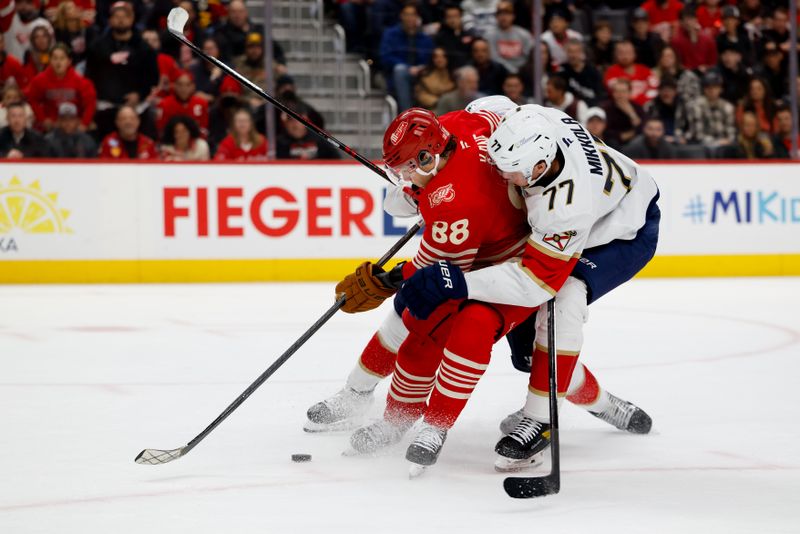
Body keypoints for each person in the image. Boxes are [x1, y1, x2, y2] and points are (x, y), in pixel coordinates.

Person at [396, 102, 659, 469]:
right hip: (580, 215)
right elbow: (486, 110)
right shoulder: (528, 120)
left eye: (512, 172)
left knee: (564, 300)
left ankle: (540, 421)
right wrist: (427, 179)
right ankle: (604, 403)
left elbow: (536, 283)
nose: (502, 177)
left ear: (539, 167)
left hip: (619, 232)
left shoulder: (565, 208)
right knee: (531, 359)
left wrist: (460, 283)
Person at [84, 1, 159, 140]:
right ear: (110, 20)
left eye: (124, 17)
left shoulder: (144, 49)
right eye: (117, 17)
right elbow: (90, 75)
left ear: (132, 19)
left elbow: (152, 77)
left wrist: (139, 94)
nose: (120, 20)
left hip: (137, 107)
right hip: (106, 107)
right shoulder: (98, 47)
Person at [25, 43, 96, 132]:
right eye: (55, 58)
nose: (58, 62)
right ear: (50, 60)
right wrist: (42, 119)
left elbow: (90, 104)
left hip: (75, 126)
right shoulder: (39, 80)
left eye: (62, 58)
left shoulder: (81, 82)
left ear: (69, 61)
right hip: (51, 127)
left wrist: (84, 124)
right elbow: (32, 99)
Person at [379, 2, 434, 112]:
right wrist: (408, 67)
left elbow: (430, 58)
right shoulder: (391, 34)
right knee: (400, 70)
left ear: (417, 17)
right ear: (401, 16)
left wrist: (421, 68)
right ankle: (407, 113)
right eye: (407, 14)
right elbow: (385, 56)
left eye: (413, 15)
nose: (410, 18)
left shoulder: (425, 38)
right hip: (395, 74)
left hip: (422, 73)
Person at [677, 70, 735, 151]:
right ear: (704, 89)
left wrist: (727, 141)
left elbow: (731, 133)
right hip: (701, 146)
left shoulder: (727, 107)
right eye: (708, 88)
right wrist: (717, 143)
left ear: (720, 89)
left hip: (723, 146)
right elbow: (698, 135)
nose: (712, 91)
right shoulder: (696, 106)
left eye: (715, 87)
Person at [603, 40, 658, 107]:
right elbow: (615, 92)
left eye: (628, 52)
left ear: (634, 54)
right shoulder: (611, 72)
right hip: (620, 107)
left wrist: (639, 101)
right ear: (615, 55)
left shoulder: (645, 70)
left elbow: (654, 90)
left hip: (645, 106)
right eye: (621, 53)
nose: (625, 56)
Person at [276, 104, 340, 160]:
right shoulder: (280, 142)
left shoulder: (320, 139)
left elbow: (336, 159)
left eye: (297, 120)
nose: (294, 124)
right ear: (285, 123)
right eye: (290, 120)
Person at [484, 0, 532, 74]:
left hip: (521, 72)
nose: (504, 17)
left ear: (513, 16)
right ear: (496, 17)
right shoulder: (489, 35)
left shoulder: (524, 34)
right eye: (500, 14)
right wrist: (512, 70)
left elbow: (529, 55)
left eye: (507, 13)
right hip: (500, 73)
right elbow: (494, 58)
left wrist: (520, 70)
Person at [156, 70, 208, 137]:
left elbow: (204, 129)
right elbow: (161, 130)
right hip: (172, 140)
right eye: (180, 84)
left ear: (193, 86)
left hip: (195, 140)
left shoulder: (202, 103)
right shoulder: (165, 104)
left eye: (188, 85)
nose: (184, 89)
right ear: (174, 85)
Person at [601, 77, 645, 150]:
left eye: (623, 91)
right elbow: (604, 131)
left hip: (634, 142)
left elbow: (643, 127)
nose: (620, 95)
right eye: (617, 91)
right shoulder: (606, 108)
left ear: (629, 93)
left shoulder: (637, 107)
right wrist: (621, 136)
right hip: (613, 144)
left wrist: (631, 114)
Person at [670, 6, 718, 72]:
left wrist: (706, 67)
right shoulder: (676, 41)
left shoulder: (708, 40)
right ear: (681, 22)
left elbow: (713, 63)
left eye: (690, 19)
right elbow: (677, 65)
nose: (688, 22)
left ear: (696, 19)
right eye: (684, 20)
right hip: (686, 73)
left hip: (706, 73)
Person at [560, 38, 605, 107]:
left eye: (576, 51)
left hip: (591, 107)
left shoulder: (593, 71)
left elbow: (600, 95)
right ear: (566, 53)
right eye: (570, 51)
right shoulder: (562, 71)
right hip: (569, 109)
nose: (573, 55)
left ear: (582, 53)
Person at [434, 4, 477, 69]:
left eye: (455, 16)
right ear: (445, 19)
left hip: (468, 69)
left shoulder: (469, 35)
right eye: (449, 17)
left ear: (461, 17)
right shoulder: (439, 38)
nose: (452, 20)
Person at [413, 47, 455, 111]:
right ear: (432, 59)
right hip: (431, 109)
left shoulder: (454, 76)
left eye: (443, 56)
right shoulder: (424, 75)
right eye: (436, 57)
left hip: (451, 109)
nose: (439, 60)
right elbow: (421, 95)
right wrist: (439, 101)